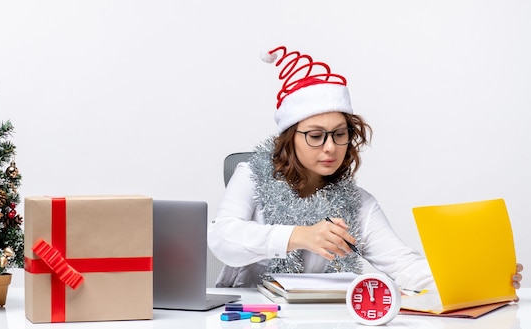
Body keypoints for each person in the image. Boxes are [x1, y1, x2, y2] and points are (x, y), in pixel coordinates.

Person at [208, 46, 523, 292]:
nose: (330, 147)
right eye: (316, 136)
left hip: (319, 317)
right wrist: (300, 236)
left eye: (340, 134)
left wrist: (478, 277)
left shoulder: (358, 203)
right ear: (290, 139)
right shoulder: (251, 174)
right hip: (250, 313)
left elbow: (405, 266)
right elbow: (223, 240)